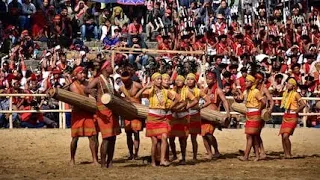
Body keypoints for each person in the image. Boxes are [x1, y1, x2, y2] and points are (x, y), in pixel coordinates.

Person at [135, 72, 179, 167]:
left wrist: (171, 106)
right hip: (153, 117)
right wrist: (145, 87)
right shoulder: (150, 91)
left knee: (164, 137)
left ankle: (163, 160)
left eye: (160, 79)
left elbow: (177, 99)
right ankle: (153, 161)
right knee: (154, 142)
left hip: (163, 118)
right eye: (157, 79)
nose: (159, 81)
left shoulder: (166, 91)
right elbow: (137, 96)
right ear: (153, 81)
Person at [85, 60, 121, 168]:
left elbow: (114, 92)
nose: (112, 68)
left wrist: (124, 99)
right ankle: (104, 163)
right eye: (110, 66)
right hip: (103, 111)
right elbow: (86, 88)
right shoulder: (98, 80)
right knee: (106, 137)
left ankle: (110, 161)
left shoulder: (110, 80)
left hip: (112, 110)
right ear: (105, 68)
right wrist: (92, 92)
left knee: (113, 138)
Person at [69, 66, 98, 166]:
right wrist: (89, 91)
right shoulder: (73, 85)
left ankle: (95, 159)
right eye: (81, 73)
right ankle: (72, 159)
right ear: (76, 75)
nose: (83, 75)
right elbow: (79, 99)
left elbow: (92, 96)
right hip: (78, 113)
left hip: (88, 112)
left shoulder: (88, 83)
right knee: (75, 137)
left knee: (93, 136)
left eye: (84, 73)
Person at [169, 75, 198, 164]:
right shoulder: (173, 90)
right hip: (174, 115)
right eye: (177, 80)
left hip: (184, 116)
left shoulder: (186, 91)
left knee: (182, 138)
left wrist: (187, 106)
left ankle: (183, 158)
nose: (178, 82)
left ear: (183, 82)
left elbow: (195, 101)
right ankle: (174, 155)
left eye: (180, 80)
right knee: (171, 137)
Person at [237, 74, 266, 161]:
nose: (246, 83)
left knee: (250, 135)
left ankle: (246, 156)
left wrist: (259, 110)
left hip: (255, 114)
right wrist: (236, 96)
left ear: (252, 83)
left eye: (248, 81)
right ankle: (257, 156)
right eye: (245, 81)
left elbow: (263, 102)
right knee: (254, 136)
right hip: (249, 115)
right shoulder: (246, 91)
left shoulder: (256, 91)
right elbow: (240, 99)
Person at [202, 71, 230, 159]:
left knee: (208, 133)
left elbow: (225, 101)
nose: (208, 80)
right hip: (204, 114)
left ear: (214, 80)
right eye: (207, 79)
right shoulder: (206, 90)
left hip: (213, 115)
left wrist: (227, 112)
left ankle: (216, 151)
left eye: (210, 79)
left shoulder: (218, 90)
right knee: (203, 134)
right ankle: (209, 153)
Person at [186, 73, 211, 161]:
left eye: (191, 79)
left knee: (193, 138)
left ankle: (194, 157)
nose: (189, 81)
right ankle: (184, 157)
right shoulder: (183, 90)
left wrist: (200, 107)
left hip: (195, 115)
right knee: (184, 137)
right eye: (188, 79)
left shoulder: (198, 91)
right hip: (185, 115)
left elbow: (208, 100)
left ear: (195, 81)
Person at [119, 71, 143, 160]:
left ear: (130, 78)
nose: (125, 83)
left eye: (126, 81)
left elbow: (145, 94)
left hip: (137, 111)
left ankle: (136, 153)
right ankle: (131, 153)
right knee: (128, 134)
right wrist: (124, 100)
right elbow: (117, 96)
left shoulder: (137, 85)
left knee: (136, 133)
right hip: (127, 112)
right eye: (123, 81)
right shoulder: (121, 88)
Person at [279, 78, 306, 159]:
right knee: (283, 135)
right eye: (287, 83)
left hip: (292, 116)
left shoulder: (296, 94)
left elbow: (303, 104)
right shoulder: (285, 93)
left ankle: (289, 153)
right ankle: (286, 154)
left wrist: (296, 111)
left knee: (285, 136)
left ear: (294, 86)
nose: (287, 85)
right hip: (286, 115)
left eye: (290, 84)